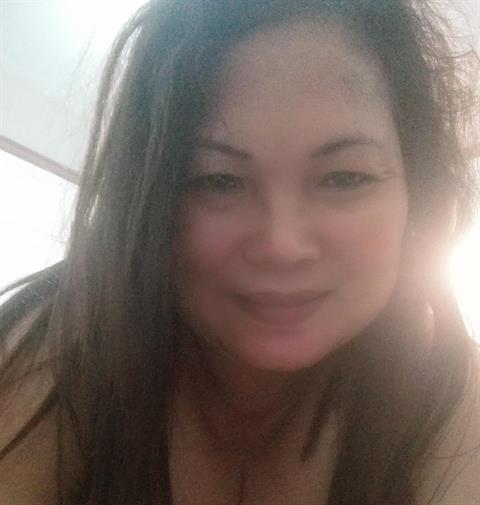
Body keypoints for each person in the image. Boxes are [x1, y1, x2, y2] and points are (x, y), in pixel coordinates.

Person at [0, 0, 479, 503]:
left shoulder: (446, 391)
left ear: (417, 195)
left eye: (344, 178)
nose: (282, 246)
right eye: (218, 180)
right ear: (147, 201)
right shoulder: (60, 354)